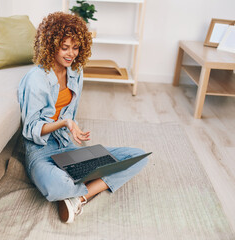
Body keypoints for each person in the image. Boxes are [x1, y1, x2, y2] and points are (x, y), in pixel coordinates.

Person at [18, 12, 148, 223]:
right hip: (40, 150)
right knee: (55, 185)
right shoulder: (35, 79)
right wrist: (65, 123)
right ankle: (77, 188)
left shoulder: (76, 71)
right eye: (65, 47)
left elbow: (70, 112)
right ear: (51, 45)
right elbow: (31, 128)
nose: (71, 54)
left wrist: (72, 127)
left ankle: (79, 196)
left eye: (76, 47)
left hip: (67, 147)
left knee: (137, 157)